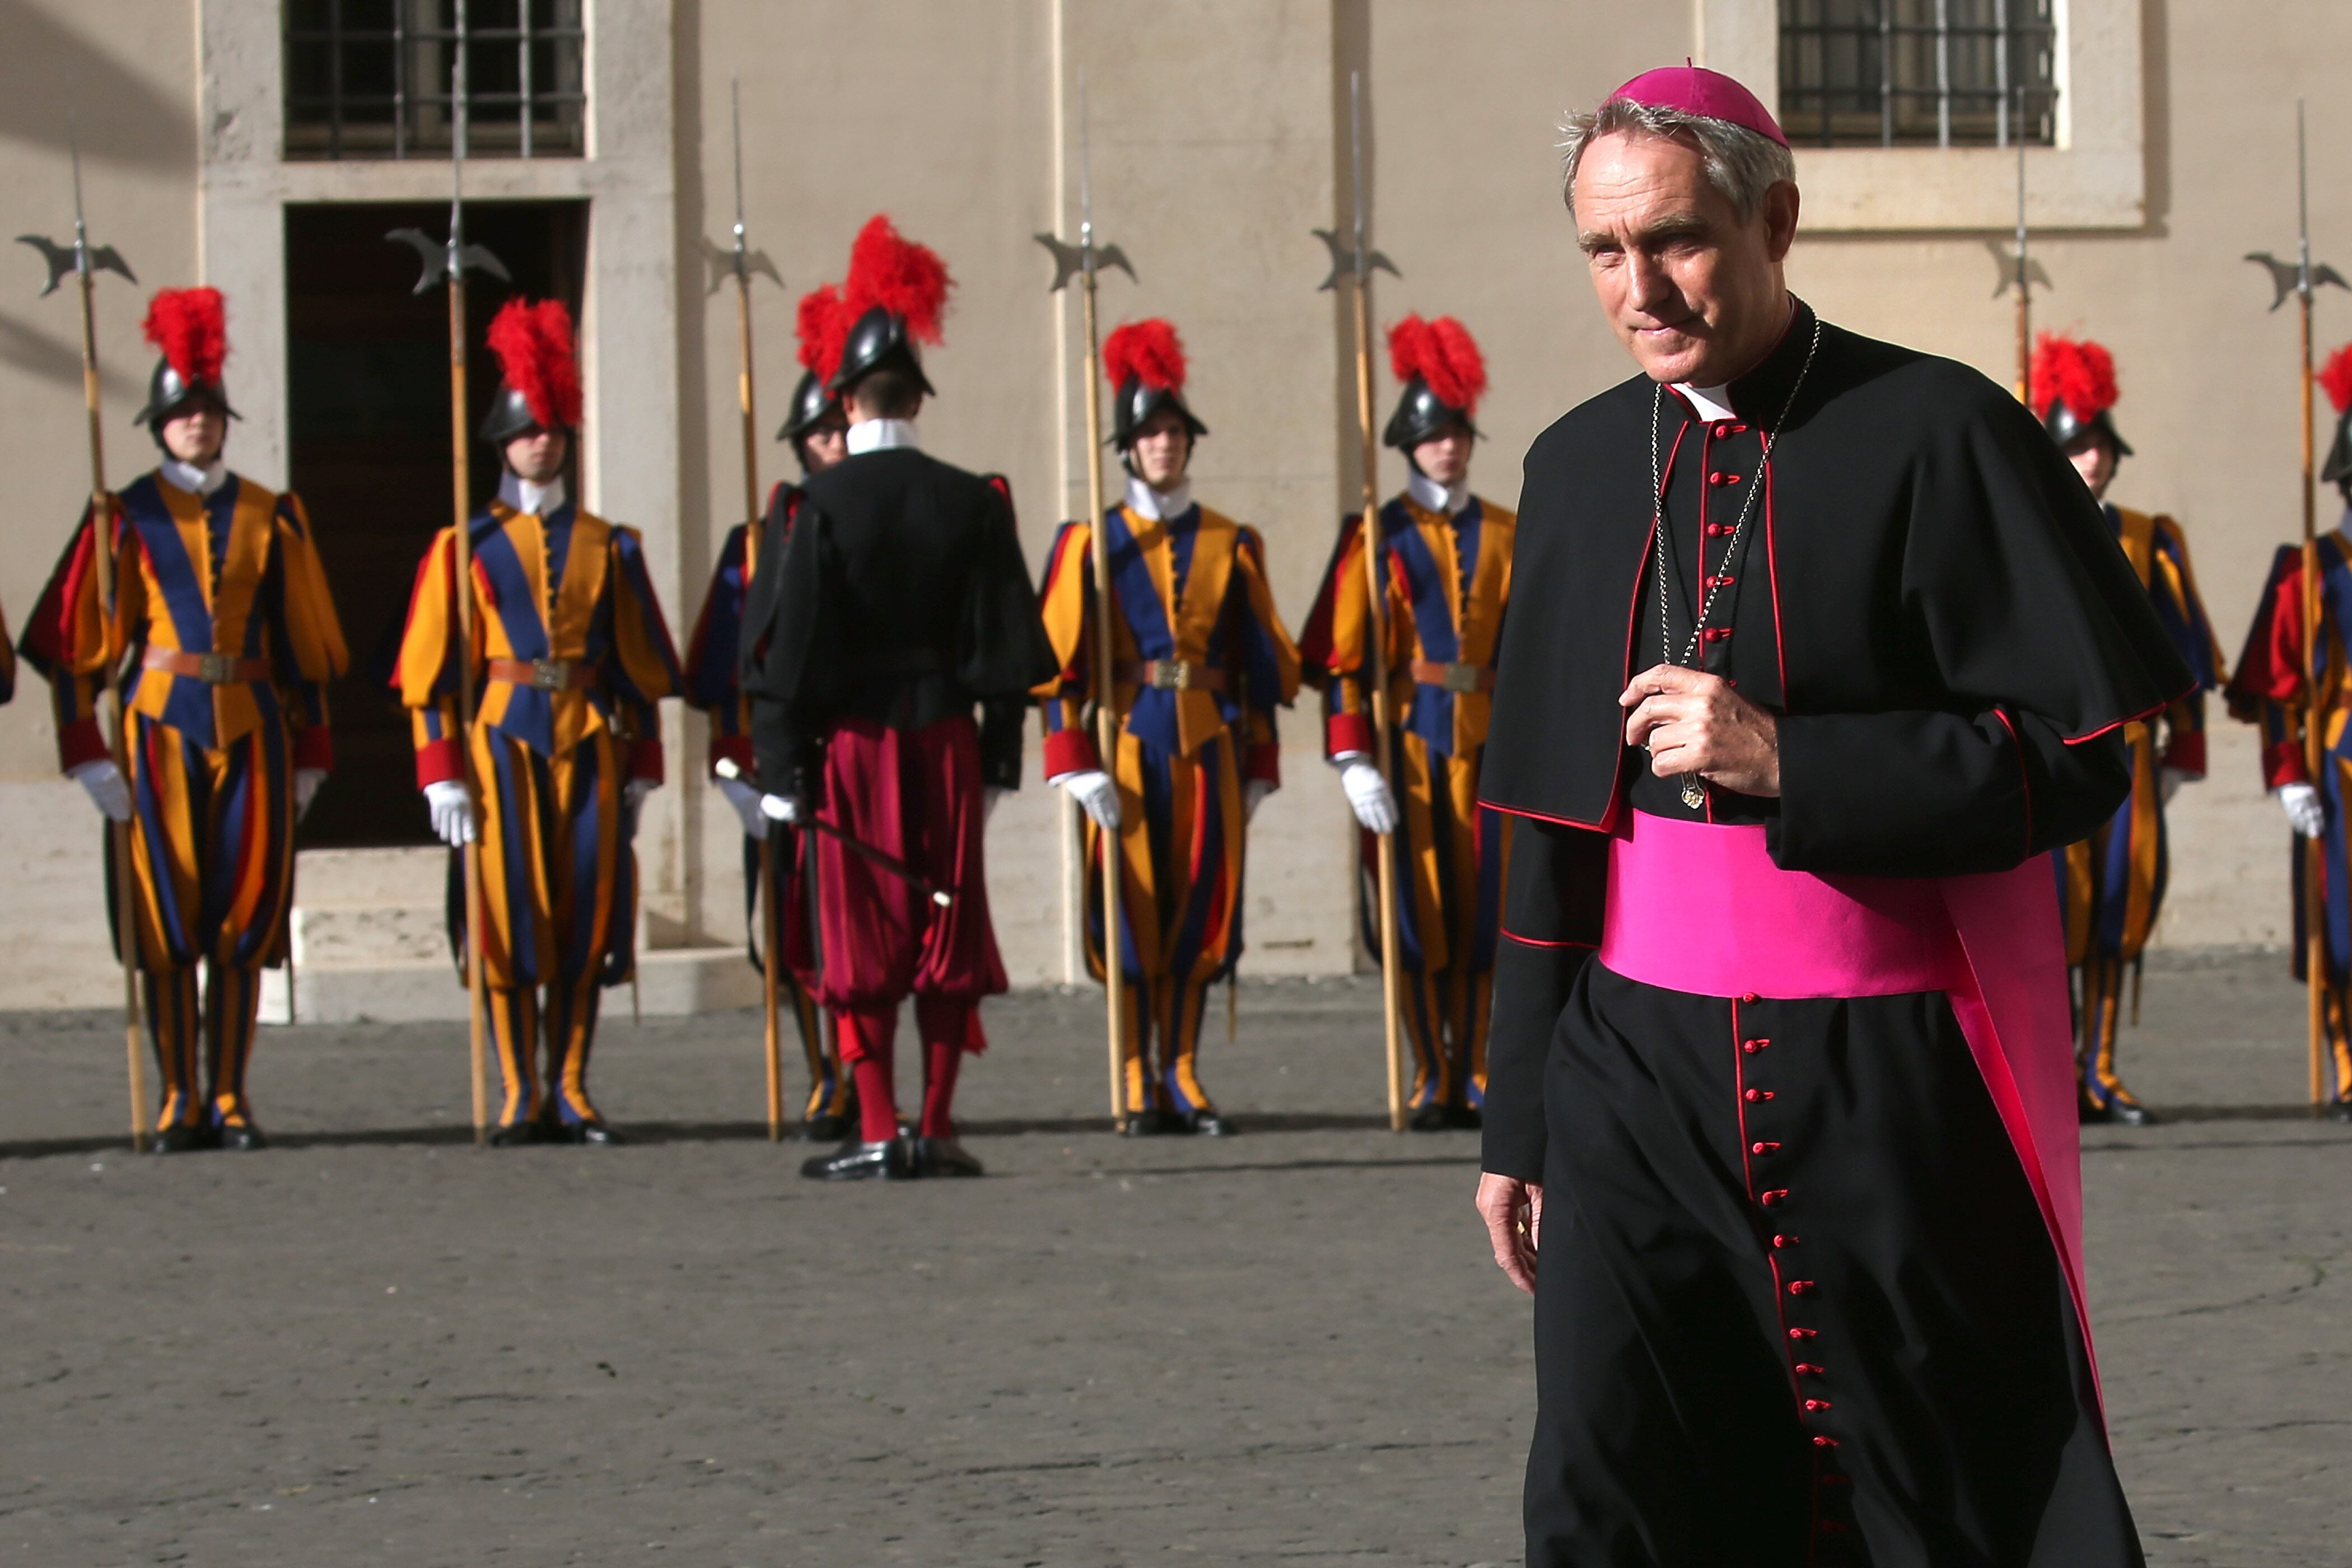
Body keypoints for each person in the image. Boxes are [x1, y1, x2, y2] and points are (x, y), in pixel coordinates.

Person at [1470, 67, 2188, 1566]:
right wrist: (1519, 1117)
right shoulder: (1577, 463)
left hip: (1883, 1077)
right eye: (1605, 251)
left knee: (1926, 1487)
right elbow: (1546, 824)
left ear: (1775, 220)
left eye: (1675, 239)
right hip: (1628, 1078)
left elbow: (2076, 754)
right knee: (1611, 1485)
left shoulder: (1940, 429)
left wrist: (1794, 761)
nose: (1640, 289)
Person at [740, 215, 1056, 1181]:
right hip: (948, 738)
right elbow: (1008, 650)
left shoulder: (811, 505)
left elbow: (786, 655)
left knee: (860, 931)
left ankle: (879, 1127)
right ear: (918, 396)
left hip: (853, 744)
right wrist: (996, 761)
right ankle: (938, 1125)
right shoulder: (976, 499)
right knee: (948, 924)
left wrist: (781, 768)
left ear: (845, 402)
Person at [18, 286, 347, 1151]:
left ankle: (230, 1096)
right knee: (164, 919)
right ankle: (177, 1097)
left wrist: (311, 750)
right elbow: (73, 648)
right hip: (158, 726)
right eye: (180, 412)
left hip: (254, 725)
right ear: (158, 424)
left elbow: (304, 647)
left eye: (206, 410)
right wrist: (86, 751)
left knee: (244, 917)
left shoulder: (271, 515)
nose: (195, 423)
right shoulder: (122, 516)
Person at [393, 297, 682, 1146]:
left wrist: (645, 768)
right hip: (499, 739)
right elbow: (429, 677)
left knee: (587, 914)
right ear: (502, 441)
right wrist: (439, 773)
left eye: (551, 428)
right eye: (526, 432)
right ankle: (521, 1089)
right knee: (508, 912)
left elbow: (639, 669)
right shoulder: (462, 546)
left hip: (588, 736)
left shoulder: (610, 543)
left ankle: (573, 1086)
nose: (540, 443)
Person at [1035, 319, 1301, 1135]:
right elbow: (1056, 667)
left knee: (1200, 909)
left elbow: (1258, 665)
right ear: (1127, 446)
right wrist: (1072, 763)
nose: (1165, 445)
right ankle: (1132, 1073)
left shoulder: (1231, 541)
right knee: (1130, 911)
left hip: (1209, 745)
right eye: (1150, 433)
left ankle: (1182, 1069)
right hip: (1125, 742)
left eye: (1176, 433)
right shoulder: (1091, 541)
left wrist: (1261, 763)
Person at [1299, 314, 1514, 1131]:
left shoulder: (1506, 531)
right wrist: (1352, 758)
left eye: (1456, 434)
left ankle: (1483, 1068)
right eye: (1432, 438)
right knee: (1418, 915)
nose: (1446, 449)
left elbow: (1530, 648)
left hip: (1490, 742)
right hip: (1410, 745)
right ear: (1408, 446)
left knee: (1489, 912)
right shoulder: (1375, 534)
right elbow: (1343, 661)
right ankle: (1432, 1071)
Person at [2032, 332, 2224, 1126]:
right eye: (2077, 447)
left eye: (2100, 448)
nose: (2092, 461)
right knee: (2054, 915)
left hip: (2133, 753)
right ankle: (2053, 1072)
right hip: (2047, 751)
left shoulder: (2148, 538)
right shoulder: (2027, 529)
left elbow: (2186, 654)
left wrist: (2185, 754)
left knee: (2119, 908)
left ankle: (2101, 1068)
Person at [683, 283, 855, 1141]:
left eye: (843, 430)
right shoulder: (756, 545)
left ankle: (863, 1070)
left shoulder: (875, 526)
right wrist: (733, 776)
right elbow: (722, 675)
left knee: (863, 924)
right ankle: (823, 1074)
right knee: (792, 931)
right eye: (820, 435)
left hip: (858, 751)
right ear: (799, 445)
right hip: (781, 767)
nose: (834, 446)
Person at [2226, 341, 2352, 1121]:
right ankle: (2347, 1059)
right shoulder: (2311, 570)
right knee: (2342, 920)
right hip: (2340, 761)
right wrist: (2288, 775)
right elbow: (2278, 686)